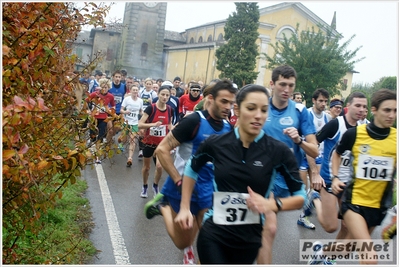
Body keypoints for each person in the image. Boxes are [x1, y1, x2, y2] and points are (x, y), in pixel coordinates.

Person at [174, 84, 306, 264]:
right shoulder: (217, 143)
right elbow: (191, 167)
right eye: (251, 108)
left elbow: (300, 197)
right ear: (237, 109)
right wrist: (184, 208)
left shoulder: (278, 151)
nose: (258, 115)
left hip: (250, 239)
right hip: (214, 232)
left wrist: (271, 204)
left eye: (264, 110)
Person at [143, 79, 236, 264]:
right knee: (182, 242)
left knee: (212, 241)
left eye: (231, 103)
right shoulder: (194, 121)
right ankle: (163, 206)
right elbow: (162, 150)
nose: (228, 107)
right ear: (211, 99)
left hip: (209, 189)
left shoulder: (228, 128)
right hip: (182, 186)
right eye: (224, 102)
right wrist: (178, 180)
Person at [258, 65, 319, 264]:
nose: (286, 89)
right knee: (270, 228)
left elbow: (315, 150)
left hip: (286, 177)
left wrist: (299, 140)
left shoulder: (301, 112)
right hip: (261, 174)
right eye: (282, 84)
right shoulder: (260, 106)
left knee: (263, 225)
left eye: (291, 85)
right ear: (272, 84)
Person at [331, 89, 396, 264]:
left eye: (395, 110)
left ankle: (322, 255)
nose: (392, 115)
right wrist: (336, 177)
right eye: (387, 110)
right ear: (374, 110)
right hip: (354, 203)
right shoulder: (355, 134)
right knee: (370, 257)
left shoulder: (396, 140)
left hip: (379, 207)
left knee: (348, 249)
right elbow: (336, 154)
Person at [306, 92, 367, 264]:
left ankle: (327, 257)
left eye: (364, 106)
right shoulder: (335, 124)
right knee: (330, 226)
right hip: (329, 179)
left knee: (348, 227)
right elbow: (311, 146)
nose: (362, 110)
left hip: (350, 184)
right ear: (349, 105)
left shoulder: (365, 128)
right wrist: (315, 173)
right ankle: (314, 199)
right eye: (358, 105)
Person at [297, 88, 330, 230]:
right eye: (321, 101)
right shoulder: (307, 114)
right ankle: (304, 213)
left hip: (318, 155)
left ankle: (304, 217)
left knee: (316, 188)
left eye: (325, 101)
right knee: (304, 190)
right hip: (303, 154)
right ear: (314, 100)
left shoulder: (327, 118)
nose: (323, 104)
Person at [138, 86, 173, 198]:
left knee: (159, 167)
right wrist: (153, 124)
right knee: (147, 167)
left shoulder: (169, 109)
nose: (165, 97)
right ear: (158, 94)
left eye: (167, 95)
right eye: (163, 94)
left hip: (162, 144)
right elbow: (139, 124)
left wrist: (174, 130)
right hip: (149, 142)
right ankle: (144, 186)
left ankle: (155, 186)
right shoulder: (151, 108)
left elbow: (169, 125)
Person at [85, 78, 116, 163]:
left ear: (108, 87)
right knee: (93, 136)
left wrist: (110, 111)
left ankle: (97, 157)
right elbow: (86, 101)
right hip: (94, 117)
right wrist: (88, 110)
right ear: (100, 87)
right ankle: (91, 146)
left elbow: (113, 106)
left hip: (103, 118)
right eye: (102, 87)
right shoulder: (95, 94)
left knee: (101, 136)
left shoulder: (110, 96)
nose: (104, 89)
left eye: (106, 87)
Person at [119, 85, 143, 166]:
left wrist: (144, 115)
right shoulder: (127, 99)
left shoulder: (140, 101)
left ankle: (130, 158)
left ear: (138, 91)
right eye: (134, 90)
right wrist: (125, 112)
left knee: (132, 140)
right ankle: (121, 142)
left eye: (136, 90)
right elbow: (121, 110)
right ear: (131, 91)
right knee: (124, 139)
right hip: (126, 122)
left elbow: (140, 111)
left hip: (135, 123)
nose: (135, 91)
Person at [137, 78, 158, 159]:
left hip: (150, 113)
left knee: (148, 131)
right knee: (141, 132)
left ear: (152, 85)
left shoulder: (154, 93)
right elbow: (138, 101)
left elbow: (156, 104)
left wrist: (151, 102)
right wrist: (140, 110)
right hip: (141, 113)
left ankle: (149, 147)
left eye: (150, 84)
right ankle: (140, 149)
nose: (148, 85)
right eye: (147, 84)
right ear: (144, 84)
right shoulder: (141, 91)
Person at [107, 70, 127, 143]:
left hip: (119, 111)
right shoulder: (109, 86)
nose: (118, 78)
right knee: (110, 130)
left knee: (117, 129)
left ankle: (108, 139)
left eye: (119, 77)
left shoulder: (124, 87)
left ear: (121, 78)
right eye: (116, 77)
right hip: (110, 110)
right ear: (113, 77)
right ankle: (107, 144)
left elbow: (126, 98)